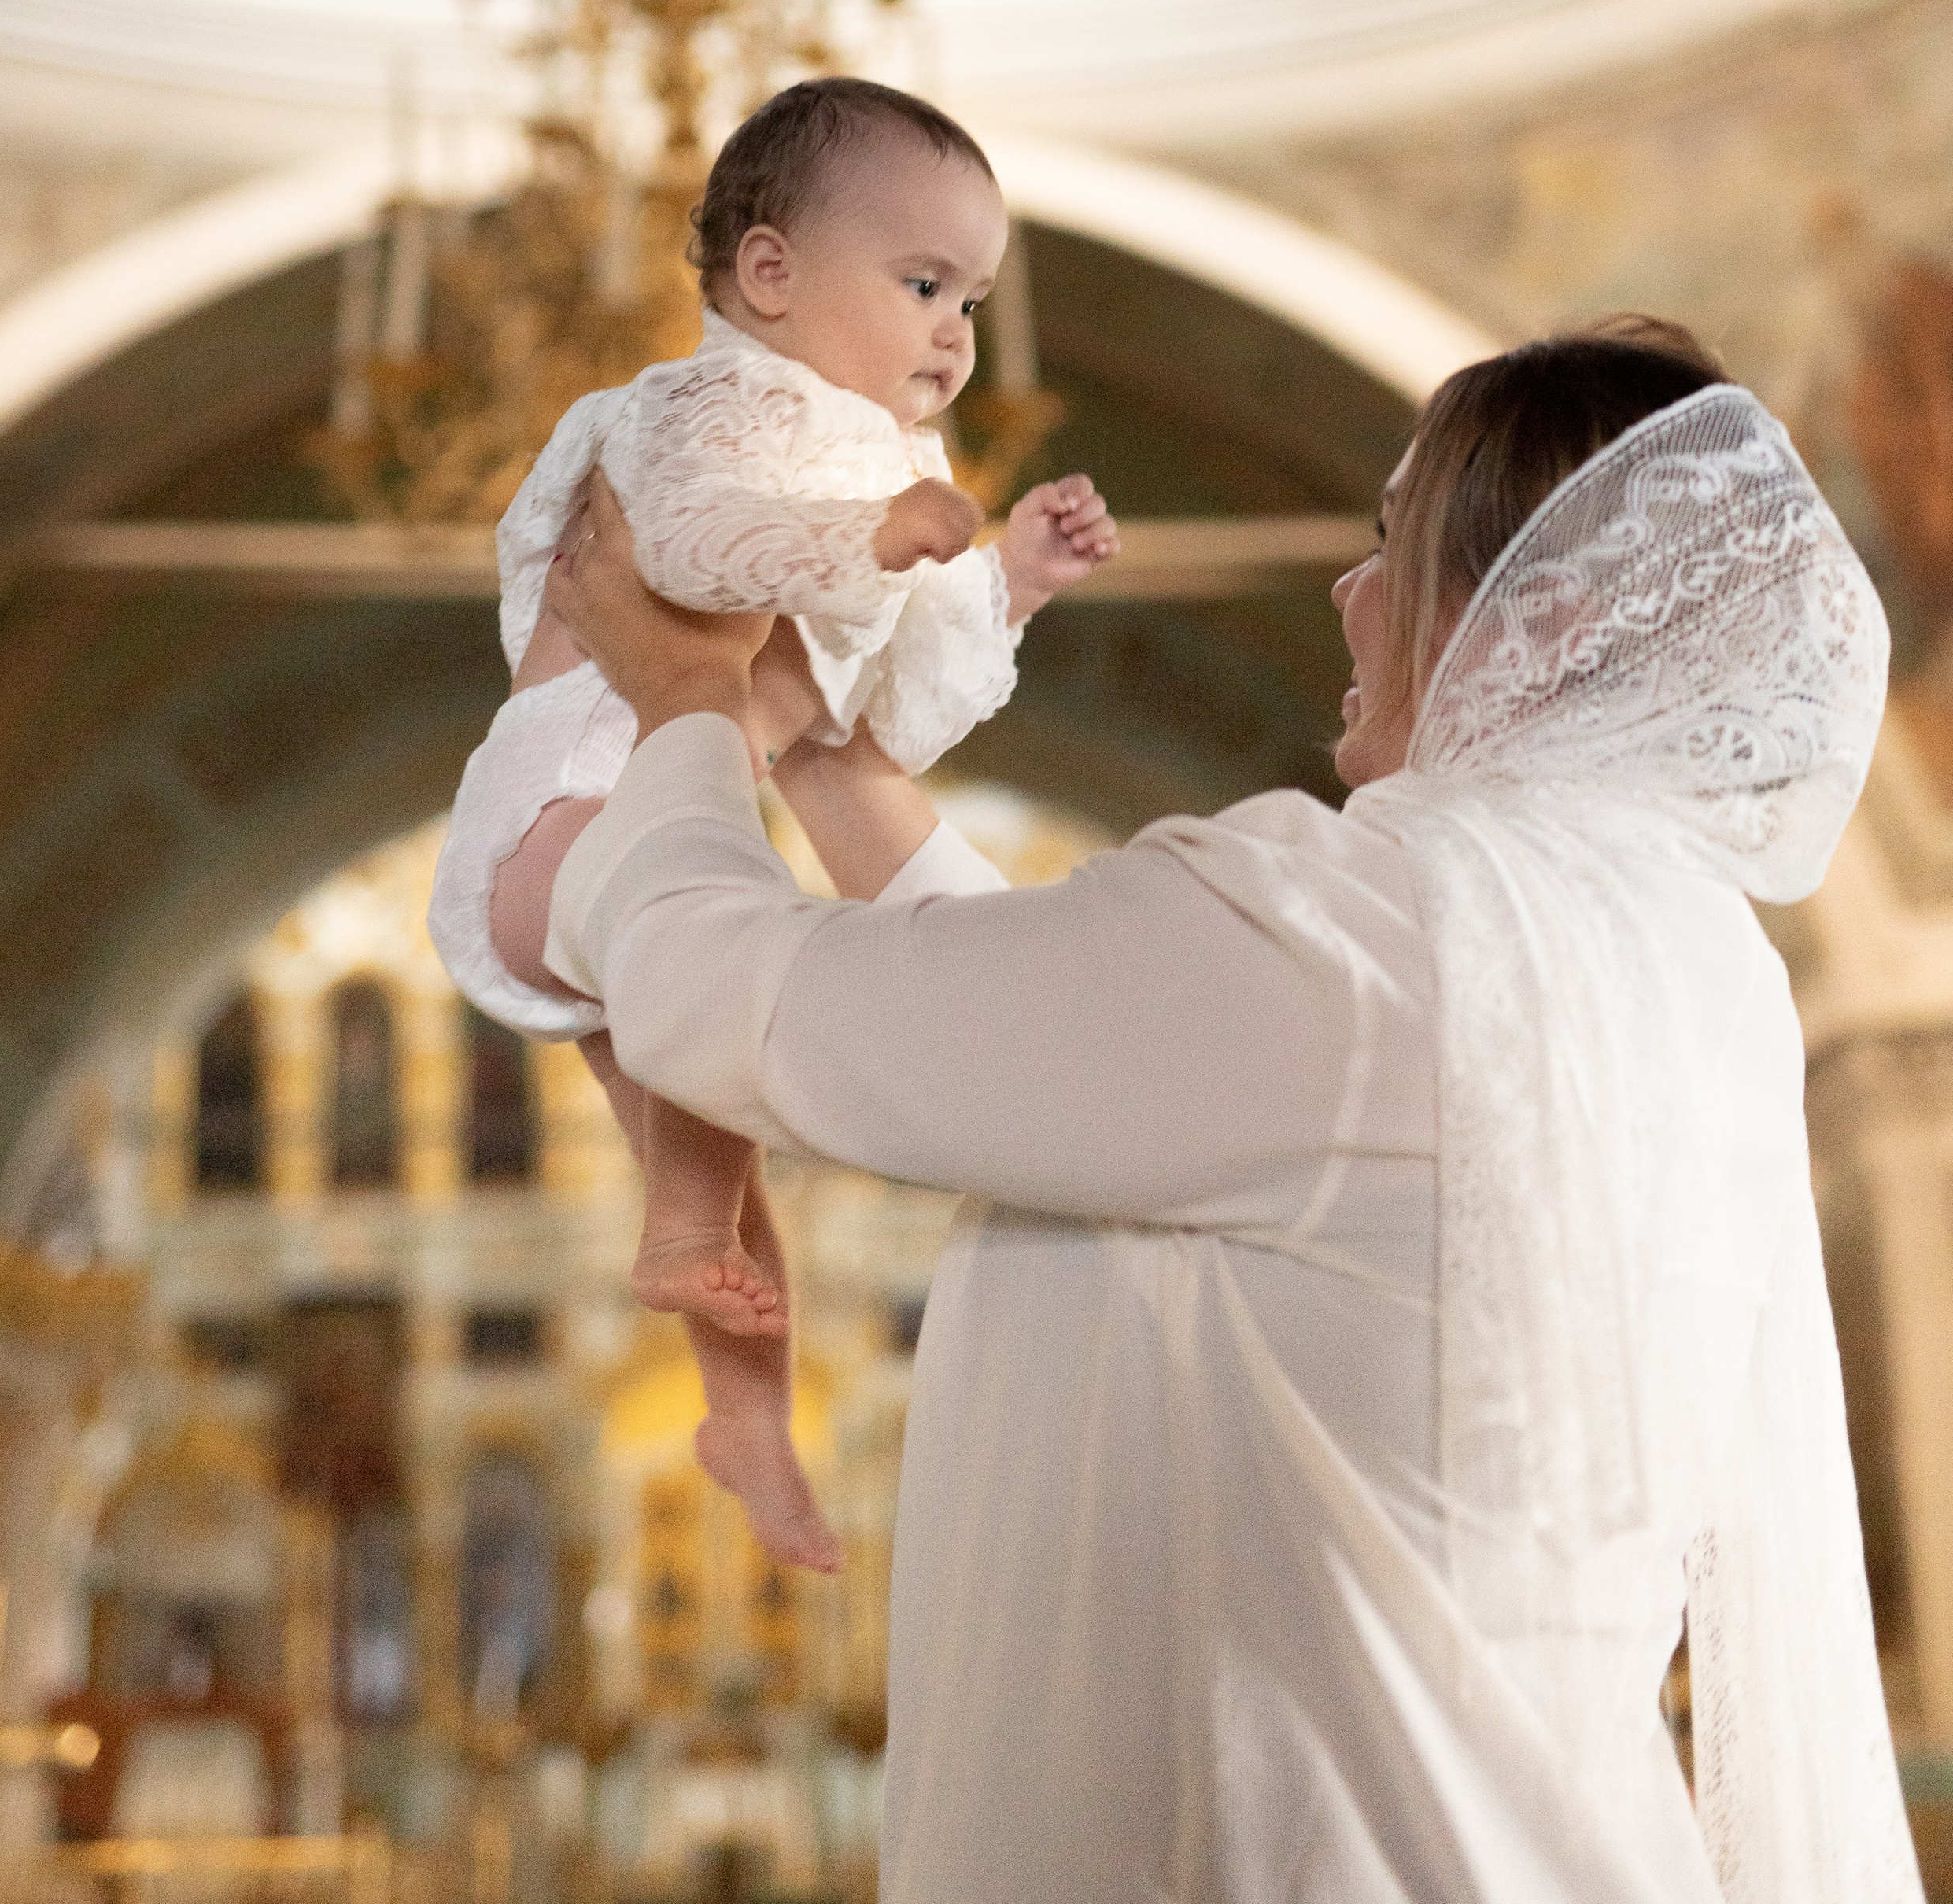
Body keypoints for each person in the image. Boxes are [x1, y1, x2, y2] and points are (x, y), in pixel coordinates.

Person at [537, 317, 1921, 1904]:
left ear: (1550, 607)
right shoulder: (1678, 962)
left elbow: (732, 1008)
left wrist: (686, 711)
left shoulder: (1360, 928)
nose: (1344, 592)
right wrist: (828, 754)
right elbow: (1124, 1070)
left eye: (1390, 544)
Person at [427, 77, 1117, 1574]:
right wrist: (859, 540)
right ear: (769, 277)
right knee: (717, 1033)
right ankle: (687, 1255)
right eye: (925, 284)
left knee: (724, 1164)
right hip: (566, 812)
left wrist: (1008, 581)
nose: (954, 334)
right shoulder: (700, 408)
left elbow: (893, 712)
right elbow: (686, 543)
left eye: (974, 299)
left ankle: (748, 1425)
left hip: (651, 857)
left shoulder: (897, 468)